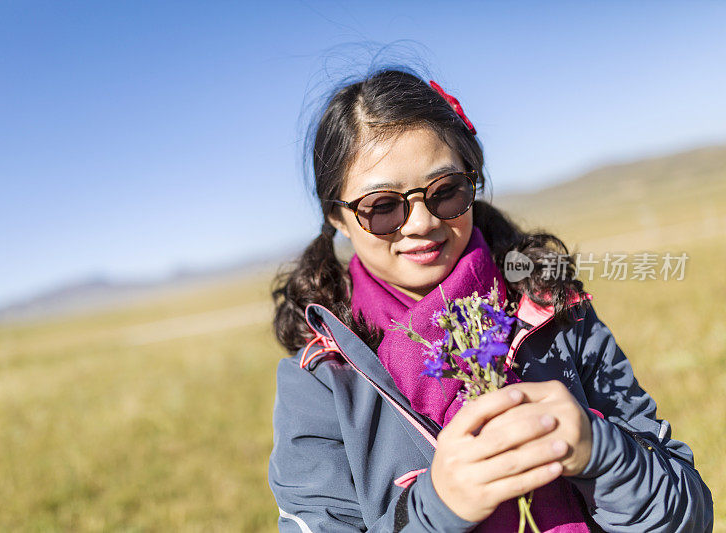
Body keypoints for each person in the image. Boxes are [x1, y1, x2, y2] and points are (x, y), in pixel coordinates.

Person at [267, 67, 713, 532]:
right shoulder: (320, 382)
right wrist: (437, 508)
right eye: (382, 207)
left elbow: (690, 515)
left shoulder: (554, 308)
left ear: (472, 182)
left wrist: (600, 453)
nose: (420, 223)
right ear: (337, 218)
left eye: (445, 192)